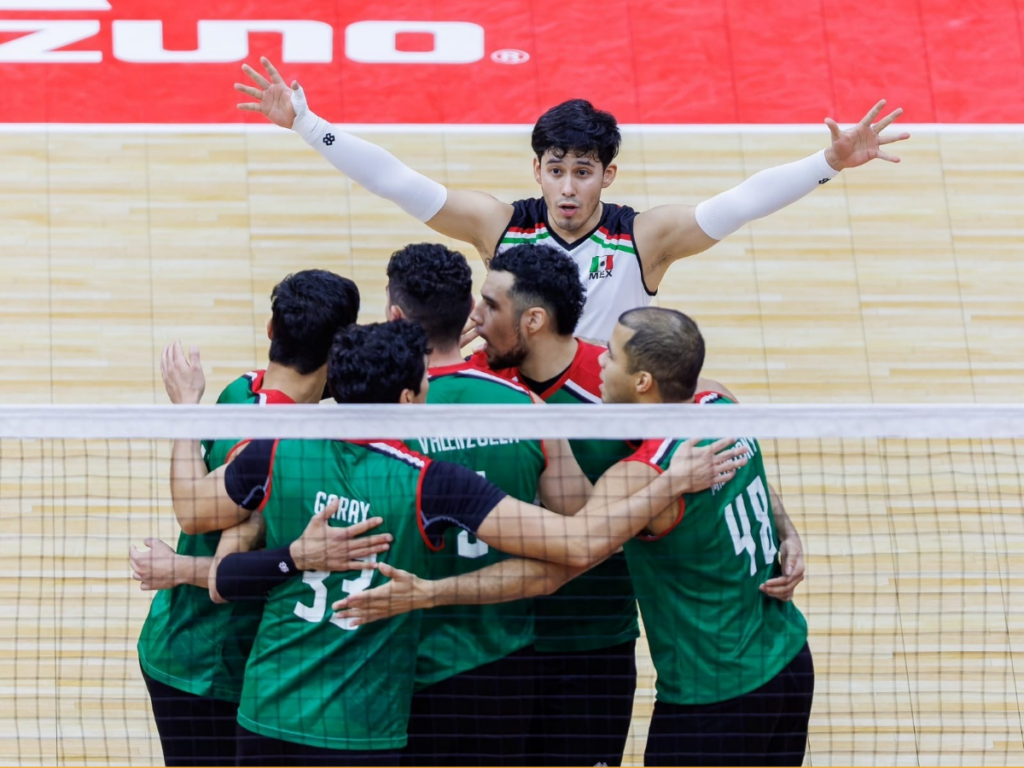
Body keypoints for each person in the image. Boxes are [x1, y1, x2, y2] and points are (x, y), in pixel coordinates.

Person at [185, 319, 746, 765]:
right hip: (361, 730)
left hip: (263, 715)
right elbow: (578, 543)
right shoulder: (432, 482)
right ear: (409, 400)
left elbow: (221, 577)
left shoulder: (275, 450)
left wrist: (291, 558)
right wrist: (671, 483)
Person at [339, 307, 811, 767]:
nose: (598, 360)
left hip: (715, 697)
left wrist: (429, 592)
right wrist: (786, 530)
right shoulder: (721, 409)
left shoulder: (639, 476)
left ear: (643, 382)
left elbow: (571, 555)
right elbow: (755, 480)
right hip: (790, 664)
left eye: (611, 355)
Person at [235, 57, 909, 341]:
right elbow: (400, 183)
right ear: (537, 169)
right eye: (555, 169)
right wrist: (306, 123)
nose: (567, 187)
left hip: (605, 418)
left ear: (606, 177)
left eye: (583, 172)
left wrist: (828, 162)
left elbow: (738, 203)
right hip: (516, 413)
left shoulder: (644, 237)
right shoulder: (499, 224)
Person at [132, 270, 386, 766]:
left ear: (272, 330)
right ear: (339, 350)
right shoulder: (273, 445)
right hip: (212, 663)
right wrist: (181, 569)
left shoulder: (239, 391)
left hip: (174, 642)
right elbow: (222, 558)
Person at [383, 242, 588, 766]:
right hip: (500, 667)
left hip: (391, 664)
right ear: (467, 313)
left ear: (395, 317)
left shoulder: (371, 413)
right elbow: (587, 532)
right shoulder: (527, 408)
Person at [468, 242, 646, 766]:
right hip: (496, 646)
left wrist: (783, 526)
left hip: (592, 643)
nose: (475, 317)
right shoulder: (475, 385)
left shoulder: (613, 387)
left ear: (533, 321)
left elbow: (711, 422)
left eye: (491, 305)